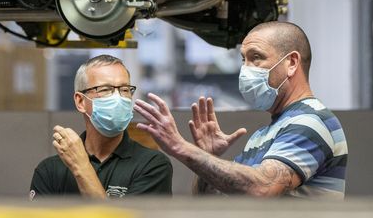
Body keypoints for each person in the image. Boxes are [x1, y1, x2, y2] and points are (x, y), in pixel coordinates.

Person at [134, 21, 347, 198]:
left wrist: (181, 147)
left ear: (291, 63)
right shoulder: (263, 136)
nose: (246, 69)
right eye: (243, 59)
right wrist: (209, 156)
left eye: (256, 57)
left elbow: (263, 187)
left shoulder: (310, 121)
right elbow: (210, 203)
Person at [30, 54, 172, 198]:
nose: (118, 98)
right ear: (80, 101)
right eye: (105, 90)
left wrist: (81, 167)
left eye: (124, 89)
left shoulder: (152, 165)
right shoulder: (50, 170)